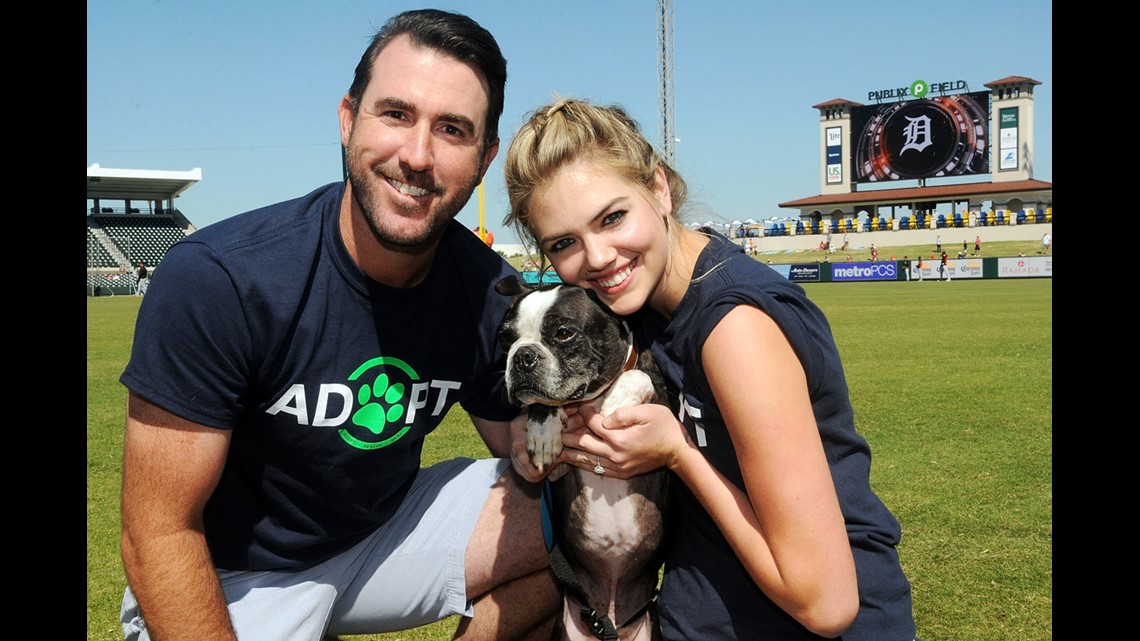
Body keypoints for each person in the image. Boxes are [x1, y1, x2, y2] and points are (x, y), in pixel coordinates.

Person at [117, 10, 560, 641]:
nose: (417, 155)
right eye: (396, 114)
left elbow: (522, 440)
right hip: (234, 575)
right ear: (349, 120)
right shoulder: (220, 277)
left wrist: (587, 426)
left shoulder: (483, 286)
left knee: (580, 512)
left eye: (453, 130)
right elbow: (158, 533)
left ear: (484, 157)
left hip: (381, 536)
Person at [502, 98, 917, 641]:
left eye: (612, 217)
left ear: (658, 189)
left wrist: (678, 454)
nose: (598, 257)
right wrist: (537, 429)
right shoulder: (638, 307)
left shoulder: (734, 328)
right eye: (564, 243)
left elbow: (827, 603)